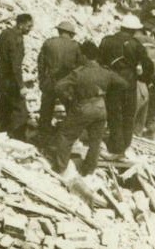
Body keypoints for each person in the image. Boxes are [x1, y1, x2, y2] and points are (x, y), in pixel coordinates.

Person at [49, 48, 126, 176]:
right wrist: (107, 94)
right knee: (95, 141)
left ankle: (60, 168)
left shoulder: (79, 73)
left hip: (83, 107)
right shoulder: (106, 72)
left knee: (66, 135)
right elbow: (123, 84)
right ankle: (88, 170)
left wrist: (68, 98)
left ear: (85, 56)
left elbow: (58, 87)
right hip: (101, 108)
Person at [98, 15, 155, 155]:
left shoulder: (107, 40)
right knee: (128, 114)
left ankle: (115, 144)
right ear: (134, 30)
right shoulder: (136, 44)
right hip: (129, 82)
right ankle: (124, 145)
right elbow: (148, 65)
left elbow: (99, 61)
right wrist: (142, 77)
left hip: (111, 81)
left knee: (114, 112)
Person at [36, 19, 83, 138]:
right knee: (70, 107)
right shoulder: (76, 46)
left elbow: (41, 63)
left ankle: (43, 132)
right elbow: (80, 66)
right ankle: (68, 133)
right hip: (67, 82)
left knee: (46, 108)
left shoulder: (48, 43)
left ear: (59, 31)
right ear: (71, 33)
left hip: (50, 80)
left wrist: (42, 80)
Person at [0, 13, 33, 138]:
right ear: (21, 24)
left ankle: (3, 128)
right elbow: (16, 65)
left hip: (1, 71)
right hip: (10, 75)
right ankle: (17, 135)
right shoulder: (17, 38)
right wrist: (21, 85)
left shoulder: (5, 33)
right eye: (28, 26)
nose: (30, 29)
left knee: (5, 101)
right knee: (20, 107)